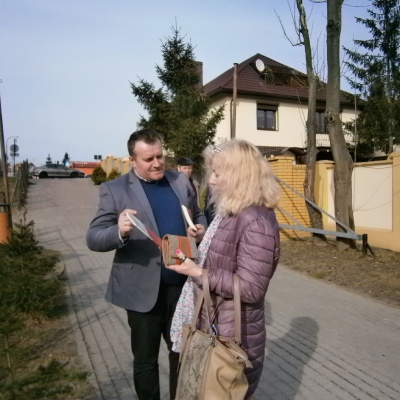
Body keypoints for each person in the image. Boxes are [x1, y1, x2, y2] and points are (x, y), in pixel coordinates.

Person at [86, 129, 207, 400]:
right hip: (142, 293)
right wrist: (119, 231)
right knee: (145, 361)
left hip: (182, 288)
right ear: (133, 160)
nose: (157, 163)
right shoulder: (115, 189)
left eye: (160, 156)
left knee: (182, 356)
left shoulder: (180, 181)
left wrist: (201, 229)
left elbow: (198, 214)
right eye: (148, 159)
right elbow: (94, 237)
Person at [168, 139, 280, 399]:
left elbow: (251, 288)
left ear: (239, 176)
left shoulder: (255, 221)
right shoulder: (233, 211)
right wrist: (204, 237)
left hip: (233, 337)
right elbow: (227, 254)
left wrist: (197, 273)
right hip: (218, 327)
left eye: (217, 174)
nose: (212, 181)